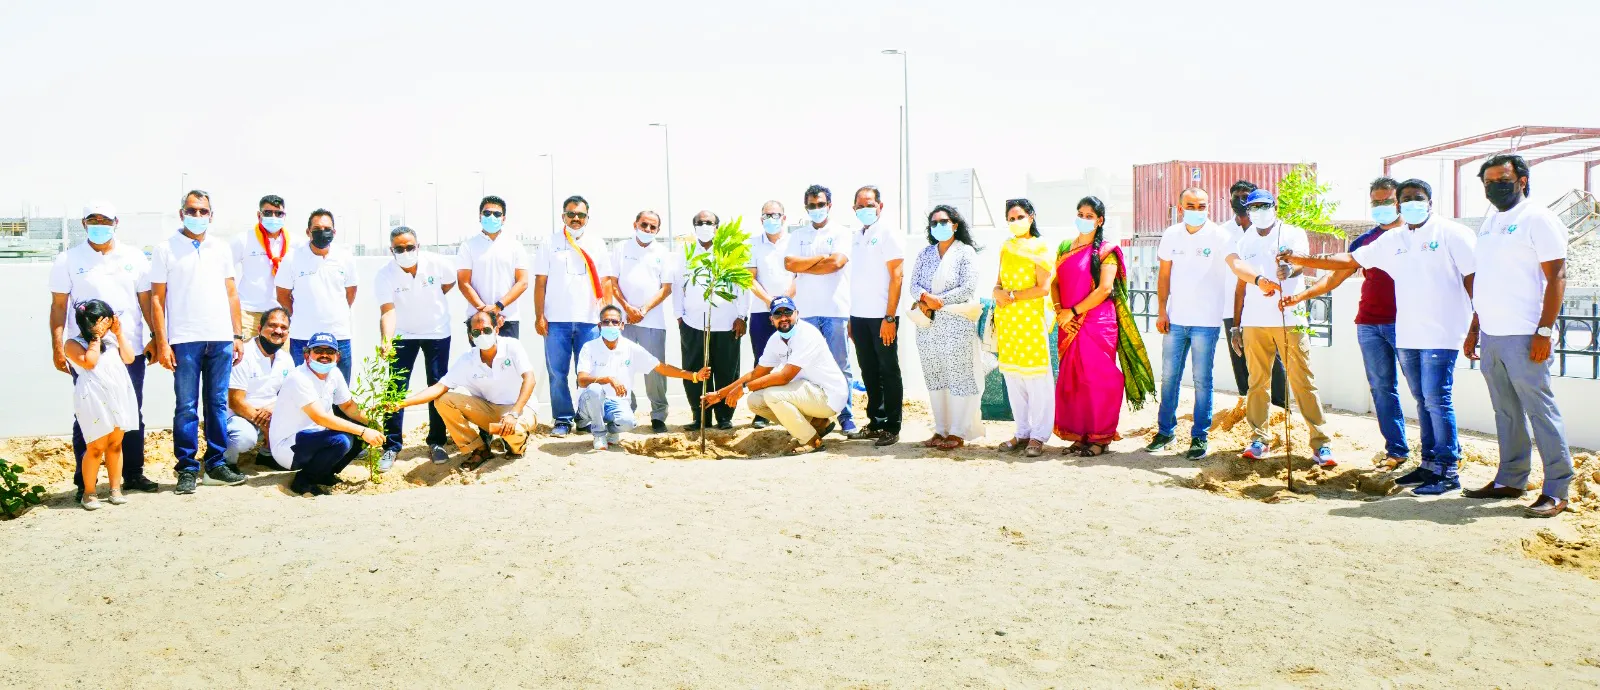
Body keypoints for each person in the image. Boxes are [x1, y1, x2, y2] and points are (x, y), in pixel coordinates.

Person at [1281, 179, 1475, 493]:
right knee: (1421, 399)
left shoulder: (1452, 233)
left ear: (1430, 202)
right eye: (1405, 199)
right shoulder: (1393, 239)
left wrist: (1477, 324)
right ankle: (1427, 465)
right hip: (1408, 333)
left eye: (1417, 198)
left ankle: (1448, 468)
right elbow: (1348, 262)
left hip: (1441, 333)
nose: (1410, 204)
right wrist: (1301, 261)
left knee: (1436, 399)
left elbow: (1474, 278)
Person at [1459, 154, 1574, 518]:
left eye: (1502, 180)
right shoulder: (1491, 221)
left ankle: (1557, 490)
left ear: (1522, 181)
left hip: (1526, 334)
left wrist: (1544, 330)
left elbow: (1557, 276)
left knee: (1541, 412)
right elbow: (1489, 279)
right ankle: (1510, 479)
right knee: (1506, 412)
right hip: (1492, 334)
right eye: (1488, 182)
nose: (1495, 187)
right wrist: (1476, 328)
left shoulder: (1537, 218)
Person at [1277, 178, 1407, 466]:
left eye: (1388, 201)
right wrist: (1301, 296)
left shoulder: (1412, 236)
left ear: (1399, 202)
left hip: (1408, 324)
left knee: (1425, 392)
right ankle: (1397, 451)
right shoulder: (1364, 242)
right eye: (1376, 202)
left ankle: (1440, 456)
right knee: (1382, 389)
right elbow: (1334, 277)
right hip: (1370, 323)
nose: (1382, 206)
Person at [48, 201, 159, 499]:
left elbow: (146, 300)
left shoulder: (135, 257)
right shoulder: (68, 259)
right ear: (84, 224)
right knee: (88, 413)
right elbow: (58, 307)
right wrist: (58, 347)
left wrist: (155, 337)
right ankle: (84, 481)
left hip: (128, 348)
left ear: (116, 222)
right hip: (87, 352)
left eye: (105, 220)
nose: (99, 225)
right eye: (93, 220)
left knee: (130, 411)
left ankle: (131, 473)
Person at [1223, 189, 1335, 467]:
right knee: (1256, 383)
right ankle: (1259, 439)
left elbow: (1300, 263)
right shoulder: (1244, 240)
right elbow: (1240, 285)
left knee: (1302, 381)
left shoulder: (1293, 233)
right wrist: (1236, 326)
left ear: (1274, 207)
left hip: (1289, 318)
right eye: (1254, 207)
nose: (1259, 211)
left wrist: (1289, 268)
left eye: (1264, 206)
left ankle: (1321, 443)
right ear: (1248, 211)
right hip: (1253, 321)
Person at [148, 189, 249, 494]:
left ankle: (216, 465)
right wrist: (162, 343)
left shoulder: (221, 248)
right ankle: (187, 468)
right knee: (186, 406)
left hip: (220, 339)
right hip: (185, 339)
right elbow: (157, 299)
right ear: (182, 214)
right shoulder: (165, 249)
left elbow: (231, 293)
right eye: (191, 210)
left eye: (203, 211)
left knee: (217, 404)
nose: (197, 216)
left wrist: (236, 335)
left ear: (211, 215)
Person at [1054, 196, 1156, 457]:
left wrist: (1073, 312)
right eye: (1080, 214)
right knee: (1073, 380)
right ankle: (1080, 435)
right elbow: (1055, 283)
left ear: (1099, 221)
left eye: (1089, 216)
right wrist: (1059, 311)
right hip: (1067, 322)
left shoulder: (1106, 251)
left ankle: (1100, 437)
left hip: (1097, 322)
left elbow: (1105, 289)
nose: (1083, 219)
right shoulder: (1065, 247)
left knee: (1098, 379)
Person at [392, 311, 538, 470]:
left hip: (520, 409)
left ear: (496, 330)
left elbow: (530, 379)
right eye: (476, 332)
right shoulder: (467, 360)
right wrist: (402, 403)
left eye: (487, 330)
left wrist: (513, 413)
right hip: (489, 409)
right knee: (443, 400)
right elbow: (439, 387)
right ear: (471, 336)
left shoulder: (512, 346)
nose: (482, 335)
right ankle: (480, 448)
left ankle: (517, 447)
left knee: (513, 431)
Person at [1146, 188, 1231, 460]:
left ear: (1209, 206)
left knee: (1202, 380)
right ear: (1181, 207)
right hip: (1175, 320)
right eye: (1191, 205)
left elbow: (1236, 267)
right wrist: (1162, 311)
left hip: (1206, 322)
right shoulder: (1171, 234)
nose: (1196, 210)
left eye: (1201, 205)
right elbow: (1164, 276)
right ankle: (1165, 432)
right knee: (1169, 378)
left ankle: (1199, 437)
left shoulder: (1220, 236)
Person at [703, 297, 847, 455]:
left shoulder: (806, 334)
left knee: (773, 395)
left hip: (828, 396)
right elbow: (756, 373)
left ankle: (811, 441)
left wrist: (743, 389)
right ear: (771, 319)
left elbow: (785, 377)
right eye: (778, 314)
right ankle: (817, 423)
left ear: (797, 314)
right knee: (755, 401)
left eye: (788, 312)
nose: (784, 317)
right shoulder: (775, 340)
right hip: (808, 393)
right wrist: (720, 394)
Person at [375, 226, 457, 469]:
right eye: (399, 249)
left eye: (410, 247)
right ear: (391, 250)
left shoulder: (438, 264)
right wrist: (386, 340)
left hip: (437, 333)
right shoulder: (384, 275)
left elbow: (449, 284)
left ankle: (437, 442)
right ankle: (391, 446)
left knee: (437, 386)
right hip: (403, 335)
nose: (405, 252)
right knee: (395, 389)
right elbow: (387, 310)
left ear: (418, 246)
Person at [576, 305, 711, 450]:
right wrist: (608, 379)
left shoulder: (630, 348)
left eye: (614, 322)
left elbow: (661, 367)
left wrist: (694, 376)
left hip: (616, 402)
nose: (610, 325)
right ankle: (598, 434)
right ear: (599, 325)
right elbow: (581, 380)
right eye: (606, 321)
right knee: (595, 389)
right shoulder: (589, 347)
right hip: (591, 402)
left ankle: (610, 431)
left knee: (628, 423)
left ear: (622, 325)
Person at [534, 195, 613, 436]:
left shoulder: (597, 244)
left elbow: (606, 282)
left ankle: (585, 417)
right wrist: (539, 316)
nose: (575, 218)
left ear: (587, 218)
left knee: (587, 373)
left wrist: (607, 317)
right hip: (556, 320)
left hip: (589, 320)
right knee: (557, 374)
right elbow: (540, 283)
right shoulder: (549, 243)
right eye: (571, 214)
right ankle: (562, 419)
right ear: (563, 216)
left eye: (580, 215)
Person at [267, 332, 384, 496]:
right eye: (318, 350)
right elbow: (320, 418)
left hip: (315, 437)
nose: (324, 355)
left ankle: (324, 474)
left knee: (359, 430)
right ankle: (303, 481)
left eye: (329, 351)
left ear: (337, 356)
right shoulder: (298, 378)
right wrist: (364, 431)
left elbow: (348, 406)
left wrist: (374, 423)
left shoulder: (334, 373)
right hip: (289, 447)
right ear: (307, 355)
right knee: (341, 440)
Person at [783, 185, 857, 434]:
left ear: (829, 205)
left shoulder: (841, 232)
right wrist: (821, 259)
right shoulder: (798, 235)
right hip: (806, 312)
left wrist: (806, 265)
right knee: (807, 366)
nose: (816, 209)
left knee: (840, 364)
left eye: (820, 204)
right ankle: (815, 417)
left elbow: (836, 263)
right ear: (806, 207)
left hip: (835, 310)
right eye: (811, 205)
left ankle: (846, 416)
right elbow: (789, 263)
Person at [909, 205, 983, 449]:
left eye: (943, 221)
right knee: (935, 377)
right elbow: (914, 285)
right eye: (934, 223)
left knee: (959, 375)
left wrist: (939, 301)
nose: (939, 226)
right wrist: (924, 298)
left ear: (955, 224)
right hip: (928, 324)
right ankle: (941, 430)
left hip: (956, 322)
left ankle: (958, 431)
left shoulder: (965, 252)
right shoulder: (925, 254)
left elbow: (967, 287)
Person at [62, 300, 140, 510]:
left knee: (115, 444)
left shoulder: (112, 340)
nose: (106, 325)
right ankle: (89, 493)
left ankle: (115, 489)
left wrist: (119, 334)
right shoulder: (73, 344)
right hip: (93, 397)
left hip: (117, 394)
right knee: (95, 447)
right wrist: (95, 337)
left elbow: (129, 358)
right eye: (102, 321)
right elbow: (90, 362)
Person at [993, 199, 1056, 457]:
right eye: (1011, 219)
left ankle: (1038, 435)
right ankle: (1021, 431)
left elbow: (1043, 288)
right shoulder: (1006, 247)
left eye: (1020, 217)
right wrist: (997, 292)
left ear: (1031, 217)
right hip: (1008, 321)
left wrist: (1013, 296)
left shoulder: (1041, 247)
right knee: (1013, 377)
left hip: (1030, 320)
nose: (1015, 222)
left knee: (1036, 378)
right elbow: (998, 282)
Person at [676, 210, 748, 431]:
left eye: (709, 222)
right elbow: (678, 285)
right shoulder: (685, 252)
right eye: (700, 222)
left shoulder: (729, 251)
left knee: (727, 371)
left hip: (727, 324)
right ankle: (701, 417)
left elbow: (743, 286)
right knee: (695, 372)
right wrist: (679, 316)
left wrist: (742, 316)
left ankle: (725, 416)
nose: (704, 226)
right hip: (694, 323)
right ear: (694, 226)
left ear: (717, 227)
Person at [1220, 180, 1288, 407]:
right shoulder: (1223, 232)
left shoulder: (1269, 230)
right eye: (1236, 196)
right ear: (1230, 200)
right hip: (1233, 306)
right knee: (1239, 357)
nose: (1241, 200)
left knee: (1272, 360)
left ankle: (1279, 407)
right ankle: (1248, 407)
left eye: (1246, 196)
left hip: (1265, 304)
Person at [846, 186, 906, 446]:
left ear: (880, 206)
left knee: (888, 370)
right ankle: (876, 422)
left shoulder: (888, 233)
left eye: (870, 204)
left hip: (882, 318)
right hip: (859, 317)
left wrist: (889, 318)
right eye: (860, 206)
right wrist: (851, 318)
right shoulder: (856, 236)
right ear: (854, 209)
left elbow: (897, 276)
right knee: (868, 371)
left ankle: (892, 426)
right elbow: (855, 279)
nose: (865, 209)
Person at [606, 210, 674, 433]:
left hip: (652, 322)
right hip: (623, 321)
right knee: (621, 368)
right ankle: (626, 411)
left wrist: (643, 310)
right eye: (644, 225)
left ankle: (658, 416)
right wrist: (627, 308)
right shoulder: (621, 248)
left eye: (653, 227)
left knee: (655, 370)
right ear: (635, 224)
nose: (647, 230)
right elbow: (612, 282)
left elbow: (666, 288)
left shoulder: (663, 253)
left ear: (658, 230)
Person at [275, 208, 358, 383]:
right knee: (302, 387)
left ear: (334, 232)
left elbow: (350, 293)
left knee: (341, 389)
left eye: (327, 229)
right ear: (308, 232)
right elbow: (282, 294)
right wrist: (299, 315)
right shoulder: (292, 258)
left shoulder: (345, 257)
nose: (323, 233)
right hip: (303, 336)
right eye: (317, 229)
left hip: (339, 335)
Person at [745, 200, 795, 429]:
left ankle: (792, 408)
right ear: (761, 219)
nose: (771, 219)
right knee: (762, 360)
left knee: (793, 360)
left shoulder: (794, 242)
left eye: (776, 215)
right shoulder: (752, 244)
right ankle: (762, 411)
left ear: (784, 218)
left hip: (791, 312)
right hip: (761, 312)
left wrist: (784, 303)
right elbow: (750, 278)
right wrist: (770, 302)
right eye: (767, 215)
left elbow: (799, 276)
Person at [225, 308, 293, 472]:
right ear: (259, 328)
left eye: (283, 327)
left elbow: (290, 395)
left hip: (268, 414)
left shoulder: (285, 359)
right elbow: (235, 402)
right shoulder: (243, 355)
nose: (278, 331)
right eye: (273, 325)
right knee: (243, 439)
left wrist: (273, 409)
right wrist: (266, 425)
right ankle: (225, 463)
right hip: (238, 416)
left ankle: (267, 455)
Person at [457, 195, 530, 337]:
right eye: (487, 213)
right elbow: (463, 282)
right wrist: (485, 311)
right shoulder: (468, 246)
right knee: (479, 353)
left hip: (508, 318)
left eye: (497, 214)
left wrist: (498, 307)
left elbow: (522, 282)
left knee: (508, 352)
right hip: (477, 320)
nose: (491, 217)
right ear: (480, 216)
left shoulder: (515, 246)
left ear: (503, 218)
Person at [232, 195, 289, 339]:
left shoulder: (294, 243)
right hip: (248, 313)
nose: (273, 217)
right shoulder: (244, 239)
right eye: (268, 213)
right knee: (244, 353)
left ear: (284, 216)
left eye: (278, 213)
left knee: (282, 354)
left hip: (280, 315)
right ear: (259, 215)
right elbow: (224, 271)